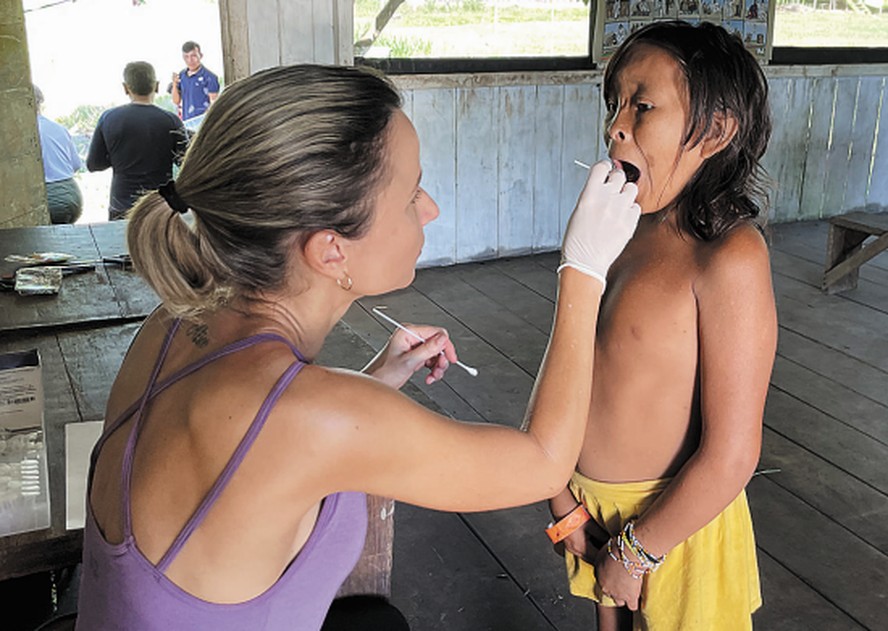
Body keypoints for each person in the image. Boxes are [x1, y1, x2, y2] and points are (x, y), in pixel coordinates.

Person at [74, 64, 641, 630]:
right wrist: (584, 270)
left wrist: (375, 381)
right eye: (410, 195)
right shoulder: (312, 416)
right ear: (331, 252)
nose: (430, 209)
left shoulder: (173, 321)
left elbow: (261, 449)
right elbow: (540, 466)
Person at [547, 20, 776, 631]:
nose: (615, 125)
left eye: (642, 106)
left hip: (674, 529)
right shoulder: (615, 231)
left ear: (717, 131)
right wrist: (560, 497)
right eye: (614, 103)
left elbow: (732, 454)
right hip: (593, 516)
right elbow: (571, 365)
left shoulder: (728, 256)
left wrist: (638, 548)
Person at [87, 61, 188, 221]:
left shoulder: (108, 118)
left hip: (121, 206)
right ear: (156, 86)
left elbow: (93, 164)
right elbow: (186, 163)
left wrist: (118, 157)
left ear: (126, 88)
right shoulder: (171, 121)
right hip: (160, 205)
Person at [34, 85, 83, 224]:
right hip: (71, 192)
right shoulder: (58, 128)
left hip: (49, 197)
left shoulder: (22, 133)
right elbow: (76, 165)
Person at [170, 40, 220, 123]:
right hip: (187, 121)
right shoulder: (182, 75)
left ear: (200, 55)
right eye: (186, 57)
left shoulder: (210, 77)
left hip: (203, 122)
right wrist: (174, 84)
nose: (190, 60)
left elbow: (213, 104)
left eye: (193, 56)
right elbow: (176, 101)